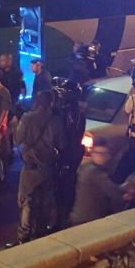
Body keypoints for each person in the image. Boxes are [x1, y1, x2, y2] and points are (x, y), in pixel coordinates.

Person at [13, 90, 63, 244]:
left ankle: (24, 236)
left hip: (30, 168)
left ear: (36, 102)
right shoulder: (55, 120)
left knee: (27, 202)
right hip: (47, 167)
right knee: (44, 201)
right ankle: (40, 233)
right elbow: (61, 144)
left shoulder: (27, 118)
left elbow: (17, 139)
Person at [52, 78, 86, 229]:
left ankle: (61, 221)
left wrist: (63, 158)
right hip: (69, 154)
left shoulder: (72, 114)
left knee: (64, 189)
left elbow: (68, 137)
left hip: (68, 156)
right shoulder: (71, 112)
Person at [70, 138, 127, 226]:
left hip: (80, 218)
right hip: (88, 221)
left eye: (104, 154)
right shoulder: (94, 172)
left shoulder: (86, 167)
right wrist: (127, 192)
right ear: (92, 153)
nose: (101, 156)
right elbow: (116, 194)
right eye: (98, 153)